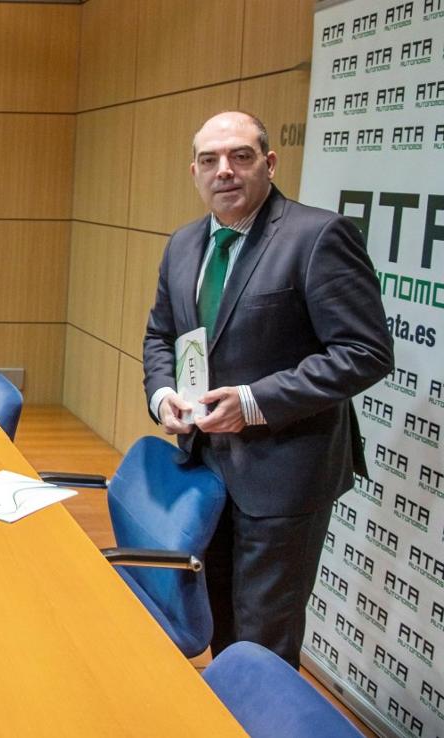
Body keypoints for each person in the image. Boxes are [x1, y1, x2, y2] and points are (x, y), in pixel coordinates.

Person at [142, 111, 393, 668]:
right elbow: (162, 336)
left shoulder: (317, 236)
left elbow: (365, 352)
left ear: (270, 163)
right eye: (209, 160)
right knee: (218, 622)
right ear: (194, 171)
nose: (224, 171)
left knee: (263, 642)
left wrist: (254, 404)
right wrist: (164, 397)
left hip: (283, 476)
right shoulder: (184, 244)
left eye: (241, 156)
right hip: (204, 468)